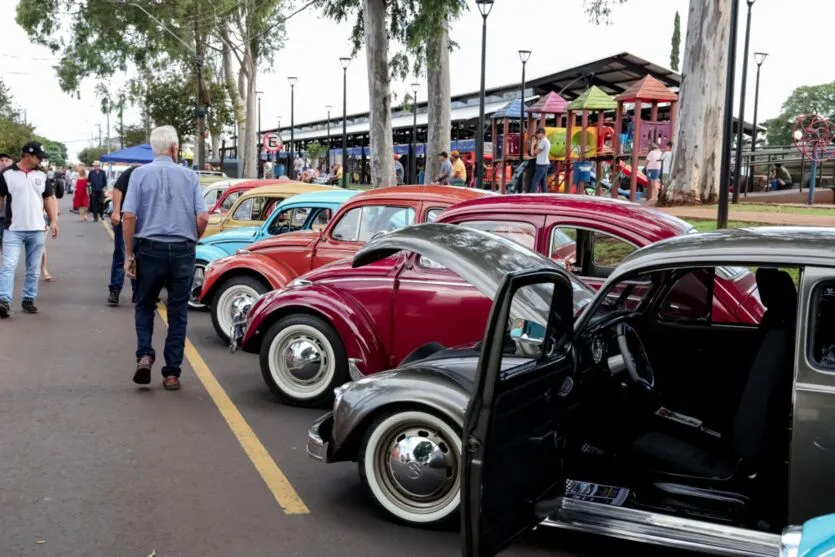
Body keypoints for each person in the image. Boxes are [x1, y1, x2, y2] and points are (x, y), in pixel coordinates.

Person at [122, 125, 209, 390]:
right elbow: (203, 217)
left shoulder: (139, 175)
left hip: (150, 249)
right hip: (183, 249)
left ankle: (145, 355)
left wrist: (129, 254)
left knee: (145, 305)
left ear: (153, 148)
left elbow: (129, 217)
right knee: (178, 311)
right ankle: (172, 373)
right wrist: (194, 237)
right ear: (174, 148)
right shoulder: (190, 176)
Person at [0, 141, 59, 318]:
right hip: (13, 229)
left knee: (33, 268)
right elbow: (1, 199)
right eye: (38, 157)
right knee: (8, 265)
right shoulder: (7, 174)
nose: (41, 160)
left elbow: (48, 198)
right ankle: (4, 300)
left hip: (37, 228)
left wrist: (54, 220)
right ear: (27, 155)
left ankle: (28, 299)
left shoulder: (41, 175)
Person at [107, 163, 139, 306]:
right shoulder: (135, 171)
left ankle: (138, 292)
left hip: (144, 221)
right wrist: (115, 211)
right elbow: (118, 189)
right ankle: (115, 290)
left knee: (141, 256)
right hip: (125, 218)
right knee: (121, 254)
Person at [529, 128, 552, 193]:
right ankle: (545, 195)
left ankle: (532, 195)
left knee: (535, 181)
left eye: (538, 134)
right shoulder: (546, 141)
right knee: (543, 182)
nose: (537, 136)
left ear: (542, 134)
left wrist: (533, 145)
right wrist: (538, 142)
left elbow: (533, 153)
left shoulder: (544, 141)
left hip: (541, 165)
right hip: (544, 164)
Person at [0, 151, 14, 254]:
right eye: (1, 160)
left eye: (6, 160)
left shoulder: (15, 176)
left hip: (11, 217)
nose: (3, 162)